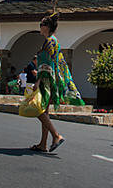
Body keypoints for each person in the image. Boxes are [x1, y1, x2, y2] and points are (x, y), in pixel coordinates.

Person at [29, 13, 84, 153]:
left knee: (38, 109)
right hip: (51, 78)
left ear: (46, 27)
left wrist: (38, 80)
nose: (40, 27)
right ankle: (43, 144)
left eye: (41, 25)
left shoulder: (49, 41)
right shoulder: (53, 40)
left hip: (47, 79)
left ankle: (56, 135)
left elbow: (47, 63)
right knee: (44, 111)